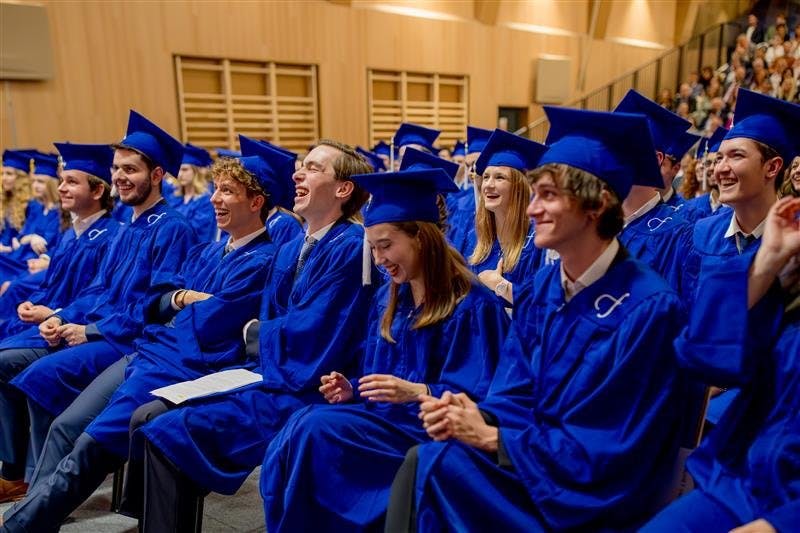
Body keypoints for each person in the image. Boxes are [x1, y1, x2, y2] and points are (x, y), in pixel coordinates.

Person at [386, 106, 688, 531]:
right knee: (432, 458)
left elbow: (614, 442)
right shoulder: (545, 288)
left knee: (433, 469)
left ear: (597, 205)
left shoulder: (650, 308)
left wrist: (494, 439)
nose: (531, 210)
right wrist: (475, 413)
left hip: (592, 494)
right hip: (536, 462)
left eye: (548, 195)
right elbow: (515, 390)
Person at [0, 140, 285, 531]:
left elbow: (206, 321)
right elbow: (159, 302)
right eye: (216, 189)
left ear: (256, 202)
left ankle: (19, 524)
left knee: (88, 445)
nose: (214, 199)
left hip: (178, 365)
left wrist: (174, 303)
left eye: (227, 192)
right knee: (68, 425)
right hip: (148, 352)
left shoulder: (262, 259)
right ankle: (29, 514)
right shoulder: (208, 253)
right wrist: (180, 299)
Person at [127, 140, 377, 531]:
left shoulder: (350, 248)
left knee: (165, 432)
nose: (297, 173)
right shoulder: (291, 246)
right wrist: (257, 335)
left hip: (308, 385)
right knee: (148, 414)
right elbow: (269, 322)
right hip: (269, 370)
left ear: (343, 188)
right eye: (301, 166)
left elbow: (316, 332)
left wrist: (255, 333)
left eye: (312, 168)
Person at [262, 167, 510, 532]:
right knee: (300, 425)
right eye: (373, 247)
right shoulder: (389, 299)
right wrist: (354, 386)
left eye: (386, 245)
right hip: (388, 423)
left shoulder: (472, 307)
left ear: (422, 238)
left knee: (316, 429)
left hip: (431, 433)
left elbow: (484, 398)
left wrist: (419, 392)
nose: (378, 259)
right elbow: (384, 376)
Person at [0, 110, 197, 503]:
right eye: (116, 168)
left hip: (130, 340)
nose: (120, 176)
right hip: (100, 328)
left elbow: (155, 305)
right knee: (31, 370)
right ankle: (35, 485)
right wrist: (61, 318)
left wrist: (87, 330)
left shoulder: (172, 226)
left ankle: (40, 493)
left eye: (130, 169)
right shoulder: (131, 225)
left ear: (157, 175)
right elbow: (99, 289)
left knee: (41, 376)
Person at [642, 196, 800, 533]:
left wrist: (780, 524)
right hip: (740, 483)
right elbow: (701, 358)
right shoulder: (789, 284)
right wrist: (767, 261)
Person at [683, 89, 800, 426]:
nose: (721, 168)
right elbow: (685, 322)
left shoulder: (794, 242)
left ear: (773, 167)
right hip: (698, 405)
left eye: (735, 156)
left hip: (772, 414)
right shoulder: (698, 235)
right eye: (719, 158)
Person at [0, 143, 119, 338]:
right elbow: (49, 285)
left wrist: (55, 315)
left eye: (71, 182)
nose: (61, 188)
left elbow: (96, 297)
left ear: (97, 191)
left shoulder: (112, 238)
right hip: (44, 322)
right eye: (61, 181)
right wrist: (31, 303)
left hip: (66, 329)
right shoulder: (70, 235)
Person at [465, 129, 546, 305]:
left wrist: (500, 285)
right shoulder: (478, 238)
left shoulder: (538, 242)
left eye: (499, 177)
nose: (488, 185)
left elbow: (542, 307)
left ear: (518, 188)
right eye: (486, 177)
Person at [0, 152, 62, 284]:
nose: (35, 186)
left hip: (32, 263)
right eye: (34, 181)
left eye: (41, 182)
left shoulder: (61, 213)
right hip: (20, 257)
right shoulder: (36, 208)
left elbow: (54, 245)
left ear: (52, 184)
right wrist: (29, 237)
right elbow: (20, 237)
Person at [171, 143, 216, 242]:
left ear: (196, 172)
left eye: (185, 170)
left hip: (195, 252)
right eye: (179, 170)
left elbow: (197, 233)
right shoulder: (175, 197)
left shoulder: (206, 200)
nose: (180, 174)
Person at [685, 127, 731, 219]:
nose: (711, 168)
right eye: (708, 163)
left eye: (717, 161)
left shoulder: (736, 208)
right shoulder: (692, 206)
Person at [0, 151, 32, 251]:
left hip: (16, 257)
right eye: (2, 174)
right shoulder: (5, 200)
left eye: (9, 174)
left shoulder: (30, 205)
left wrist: (6, 249)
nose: (3, 178)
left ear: (21, 178)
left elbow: (23, 241)